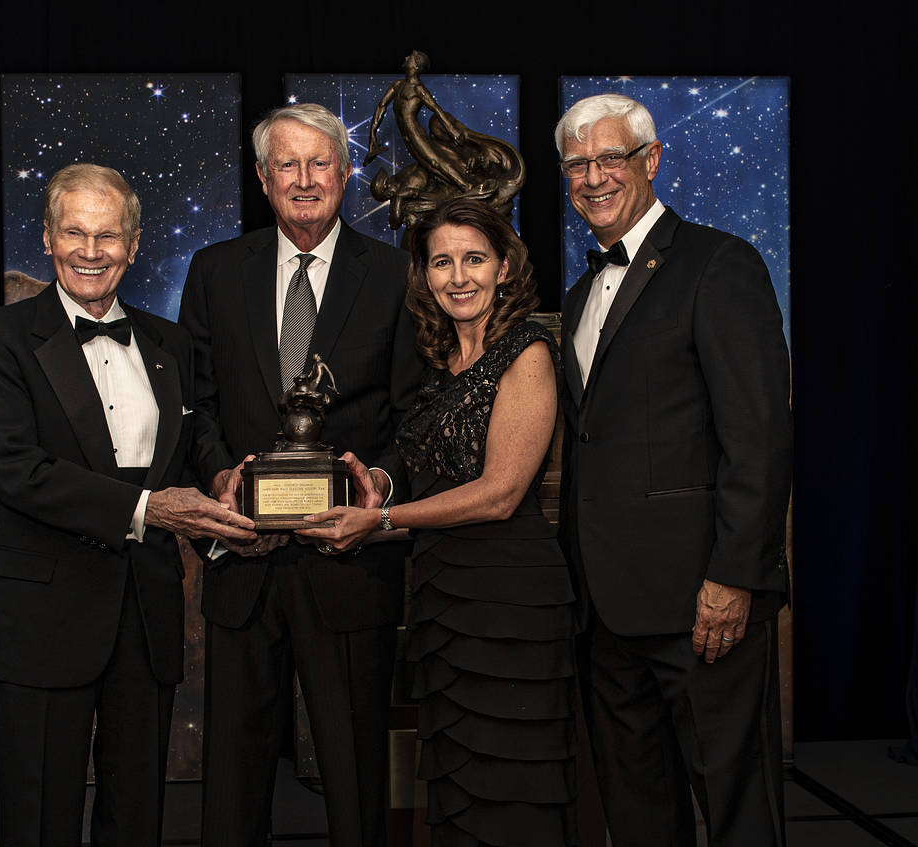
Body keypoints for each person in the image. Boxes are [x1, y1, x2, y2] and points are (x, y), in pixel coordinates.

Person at [0, 163, 257, 846]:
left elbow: (188, 457)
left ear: (133, 242)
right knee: (40, 820)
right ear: (46, 237)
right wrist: (151, 508)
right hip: (43, 615)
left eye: (108, 235)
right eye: (74, 232)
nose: (90, 251)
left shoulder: (168, 343)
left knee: (136, 818)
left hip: (146, 614)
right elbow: (18, 470)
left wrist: (230, 505)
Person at [178, 103, 422, 847]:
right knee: (233, 784)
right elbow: (196, 405)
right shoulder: (216, 270)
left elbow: (417, 411)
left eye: (321, 163)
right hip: (241, 560)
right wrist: (221, 478)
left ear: (346, 176)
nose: (305, 179)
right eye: (288, 164)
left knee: (355, 781)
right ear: (261, 177)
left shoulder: (395, 272)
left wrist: (379, 483)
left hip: (348, 563)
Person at [555, 93, 793, 846]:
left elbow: (757, 435)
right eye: (576, 165)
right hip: (604, 608)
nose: (592, 177)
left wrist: (734, 577)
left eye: (608, 158)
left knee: (736, 808)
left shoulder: (719, 264)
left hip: (702, 605)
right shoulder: (576, 294)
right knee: (637, 813)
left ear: (650, 160)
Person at [302, 199, 577, 846]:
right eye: (441, 261)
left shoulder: (528, 352)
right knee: (457, 795)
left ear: (504, 266)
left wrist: (382, 518)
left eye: (474, 258)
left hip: (511, 605)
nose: (459, 276)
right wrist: (371, 493)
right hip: (441, 600)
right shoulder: (436, 362)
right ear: (423, 274)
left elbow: (498, 494)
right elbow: (430, 483)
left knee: (512, 795)